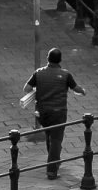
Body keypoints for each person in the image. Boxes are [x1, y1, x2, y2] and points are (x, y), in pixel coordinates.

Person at [24, 48, 87, 179]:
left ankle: (55, 161)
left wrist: (39, 88)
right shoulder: (65, 74)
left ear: (48, 58)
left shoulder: (38, 73)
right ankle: (52, 170)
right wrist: (83, 91)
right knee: (56, 140)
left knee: (49, 136)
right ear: (60, 60)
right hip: (58, 113)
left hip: (43, 113)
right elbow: (76, 88)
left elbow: (27, 88)